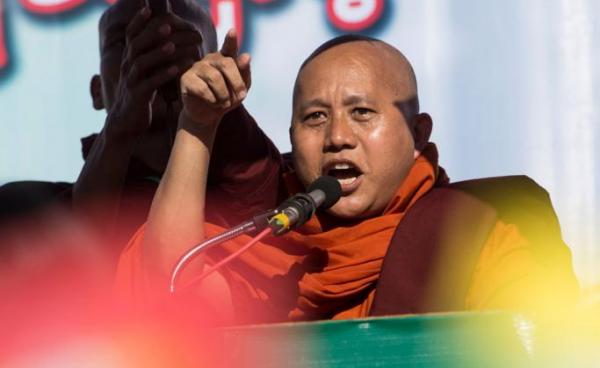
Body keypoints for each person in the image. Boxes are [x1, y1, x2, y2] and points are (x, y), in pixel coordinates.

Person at [116, 35, 579, 324]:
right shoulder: (272, 248)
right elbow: (168, 292)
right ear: (292, 139)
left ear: (418, 135)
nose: (338, 137)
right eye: (315, 118)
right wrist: (198, 125)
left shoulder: (477, 234)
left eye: (362, 113)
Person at [0, 0, 281, 259]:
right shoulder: (20, 210)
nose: (153, 47)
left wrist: (217, 109)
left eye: (182, 35)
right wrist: (121, 126)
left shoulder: (267, 181)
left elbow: (260, 195)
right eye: (123, 41)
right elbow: (75, 254)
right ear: (97, 92)